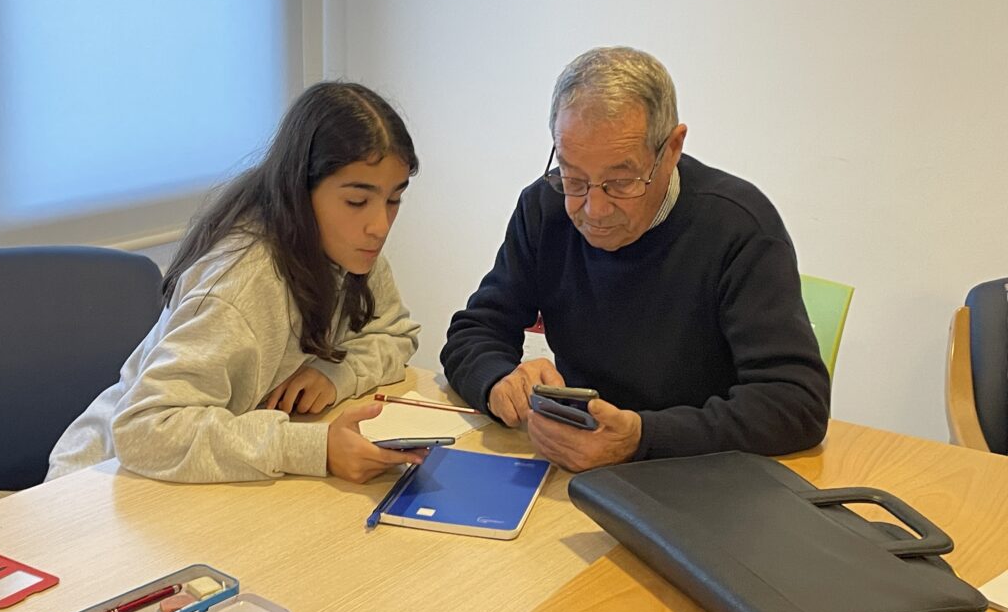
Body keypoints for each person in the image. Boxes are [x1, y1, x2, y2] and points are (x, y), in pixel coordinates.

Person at [441, 46, 830, 472]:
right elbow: (475, 330)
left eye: (621, 182)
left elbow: (796, 402)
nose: (594, 209)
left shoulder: (738, 227)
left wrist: (643, 437)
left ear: (673, 148)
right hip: (576, 468)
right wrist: (498, 382)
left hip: (704, 475)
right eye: (574, 179)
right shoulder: (545, 209)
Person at [48, 82, 424, 484]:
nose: (379, 226)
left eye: (394, 199)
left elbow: (396, 333)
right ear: (300, 191)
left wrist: (335, 375)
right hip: (99, 486)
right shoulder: (245, 283)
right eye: (356, 201)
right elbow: (144, 429)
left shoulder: (351, 250)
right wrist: (315, 448)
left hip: (198, 476)